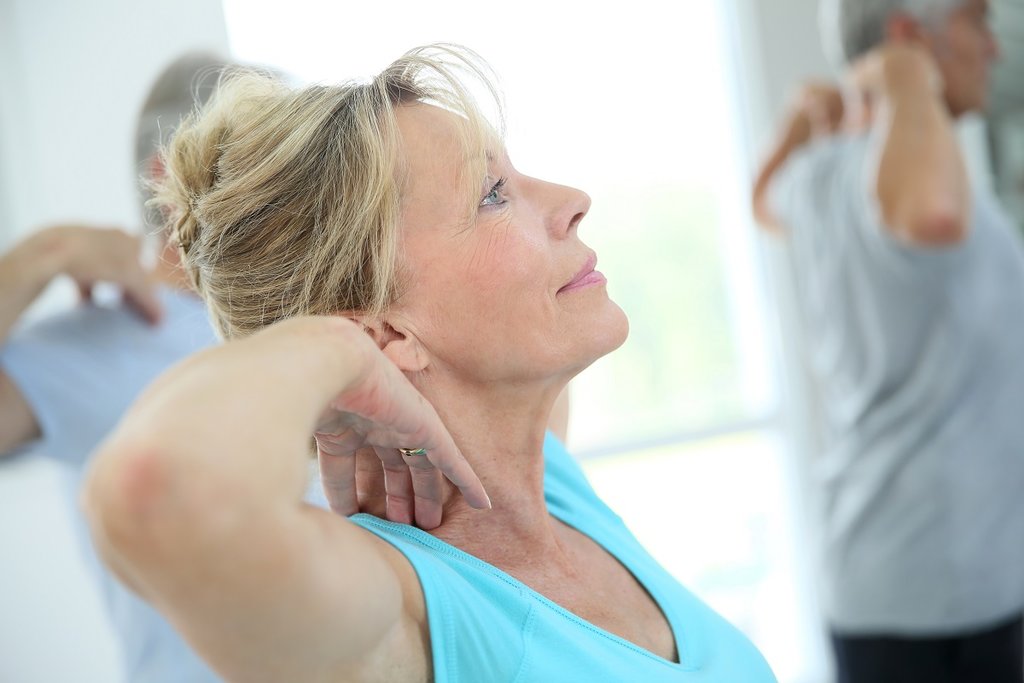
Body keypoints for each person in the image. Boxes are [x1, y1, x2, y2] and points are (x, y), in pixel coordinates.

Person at [82, 44, 778, 682]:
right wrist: (334, 347)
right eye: (492, 194)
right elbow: (152, 489)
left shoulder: (546, 481)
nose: (572, 201)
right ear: (385, 331)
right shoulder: (396, 613)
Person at [751, 1, 1024, 681]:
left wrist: (792, 128)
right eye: (974, 21)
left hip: (892, 578)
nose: (991, 47)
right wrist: (904, 76)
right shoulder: (912, 187)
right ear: (909, 38)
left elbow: (763, 202)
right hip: (947, 594)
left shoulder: (821, 173)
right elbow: (929, 212)